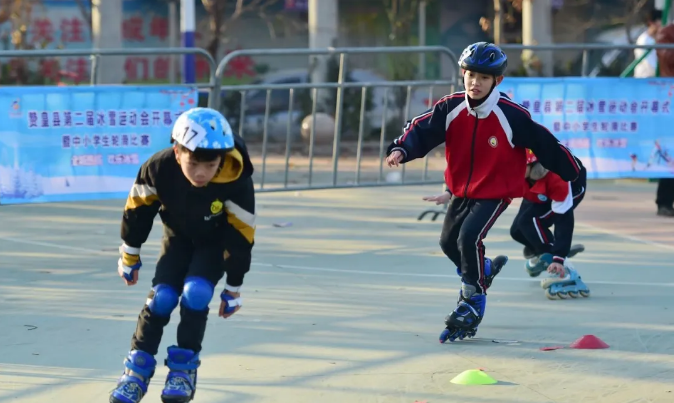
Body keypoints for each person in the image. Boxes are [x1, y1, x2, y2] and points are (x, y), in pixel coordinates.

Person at [386, 42, 583, 343]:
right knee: (447, 242)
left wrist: (569, 169)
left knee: (469, 238)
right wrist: (402, 148)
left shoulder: (510, 115)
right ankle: (485, 269)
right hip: (462, 189)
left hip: (495, 191)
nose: (476, 83)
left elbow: (545, 142)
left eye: (485, 78)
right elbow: (422, 128)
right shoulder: (450, 107)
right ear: (462, 74)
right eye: (471, 75)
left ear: (497, 81)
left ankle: (473, 298)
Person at [110, 107, 256, 403]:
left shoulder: (234, 177)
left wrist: (234, 286)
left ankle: (183, 370)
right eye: (193, 163)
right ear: (177, 152)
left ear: (221, 159)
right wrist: (130, 252)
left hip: (213, 243)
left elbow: (241, 234)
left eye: (211, 164)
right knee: (162, 297)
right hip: (177, 238)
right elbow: (138, 211)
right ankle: (135, 371)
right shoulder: (159, 167)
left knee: (197, 293)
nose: (201, 173)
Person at [509, 149, 590, 299]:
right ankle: (543, 249)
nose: (514, 170)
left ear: (534, 165)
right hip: (537, 186)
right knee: (517, 230)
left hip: (571, 188)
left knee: (530, 222)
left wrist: (558, 256)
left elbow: (564, 221)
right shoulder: (517, 170)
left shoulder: (558, 178)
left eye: (520, 166)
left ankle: (563, 265)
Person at [654, 21, 674, 217]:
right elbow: (667, 58)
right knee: (671, 152)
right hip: (671, 98)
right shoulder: (667, 33)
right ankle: (665, 201)